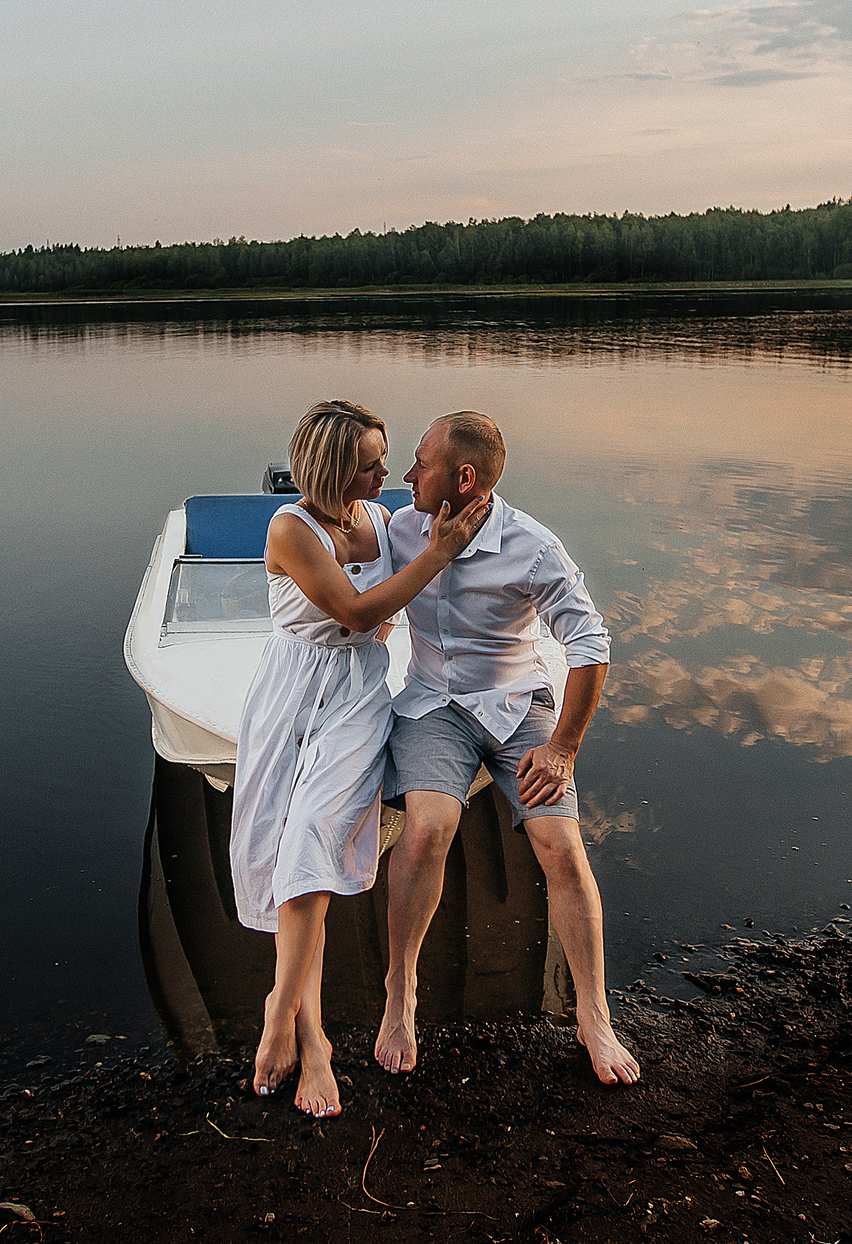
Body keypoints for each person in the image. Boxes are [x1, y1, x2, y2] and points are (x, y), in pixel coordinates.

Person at [230, 400, 492, 1117]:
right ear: (332, 469)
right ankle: (309, 1037)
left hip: (356, 699)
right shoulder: (291, 527)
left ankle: (279, 1010)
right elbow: (354, 612)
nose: (388, 474)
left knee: (313, 842)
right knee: (284, 855)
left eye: (385, 459)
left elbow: (459, 554)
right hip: (292, 693)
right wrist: (436, 556)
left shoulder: (381, 519)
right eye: (371, 465)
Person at [376, 411, 640, 1085]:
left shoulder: (532, 545)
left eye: (422, 463)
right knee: (428, 828)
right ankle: (401, 991)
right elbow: (363, 595)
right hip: (432, 703)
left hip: (517, 705)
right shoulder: (401, 528)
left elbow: (590, 644)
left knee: (561, 845)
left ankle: (594, 1015)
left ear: (464, 479)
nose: (409, 475)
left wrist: (563, 748)